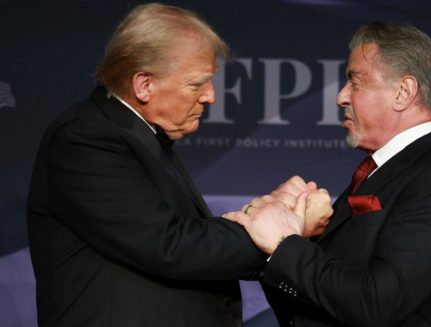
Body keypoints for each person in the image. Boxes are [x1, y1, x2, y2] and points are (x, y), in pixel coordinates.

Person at [26, 3, 272, 326]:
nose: (211, 96)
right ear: (144, 84)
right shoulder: (85, 138)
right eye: (197, 84)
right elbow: (169, 246)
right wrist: (272, 235)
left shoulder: (141, 136)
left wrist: (260, 221)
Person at [225, 21, 431, 326]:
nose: (341, 97)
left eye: (355, 82)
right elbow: (322, 299)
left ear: (403, 91)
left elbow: (376, 303)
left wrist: (284, 243)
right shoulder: (378, 171)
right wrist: (283, 238)